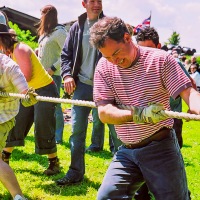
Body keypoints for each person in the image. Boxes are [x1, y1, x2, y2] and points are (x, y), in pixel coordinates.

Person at [89, 16, 200, 199]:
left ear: (127, 37)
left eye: (116, 53)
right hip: (126, 151)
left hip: (160, 148)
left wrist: (197, 107)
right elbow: (104, 113)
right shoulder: (104, 66)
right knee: (107, 197)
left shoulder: (161, 60)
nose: (114, 61)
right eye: (108, 56)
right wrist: (139, 114)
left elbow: (189, 94)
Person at [135, 26, 194, 199]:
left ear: (159, 46)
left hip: (171, 123)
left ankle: (182, 194)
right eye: (141, 49)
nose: (146, 54)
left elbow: (190, 85)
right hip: (145, 121)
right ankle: (142, 193)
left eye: (150, 48)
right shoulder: (135, 65)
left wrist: (192, 105)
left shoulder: (172, 62)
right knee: (142, 160)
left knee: (170, 165)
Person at [56, 0, 110, 186]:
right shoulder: (75, 27)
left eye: (100, 1)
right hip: (82, 87)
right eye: (92, 1)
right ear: (84, 4)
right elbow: (65, 55)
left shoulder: (110, 25)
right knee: (77, 132)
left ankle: (128, 178)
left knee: (118, 133)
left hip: (107, 88)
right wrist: (67, 75)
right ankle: (75, 173)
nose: (97, 4)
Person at [0, 23, 60, 176]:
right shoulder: (5, 53)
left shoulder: (20, 49)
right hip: (25, 91)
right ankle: (4, 157)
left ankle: (54, 162)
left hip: (43, 89)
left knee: (43, 125)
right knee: (18, 121)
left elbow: (26, 76)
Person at [0, 53, 37, 200]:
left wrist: (29, 97)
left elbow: (26, 98)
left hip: (3, 117)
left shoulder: (11, 68)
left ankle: (18, 197)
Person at [37, 5, 67, 144]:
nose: (40, 16)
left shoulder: (60, 32)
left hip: (53, 75)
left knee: (55, 106)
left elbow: (67, 54)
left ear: (48, 14)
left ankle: (58, 137)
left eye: (42, 13)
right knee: (44, 105)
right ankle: (45, 132)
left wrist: (53, 68)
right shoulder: (45, 33)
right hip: (42, 75)